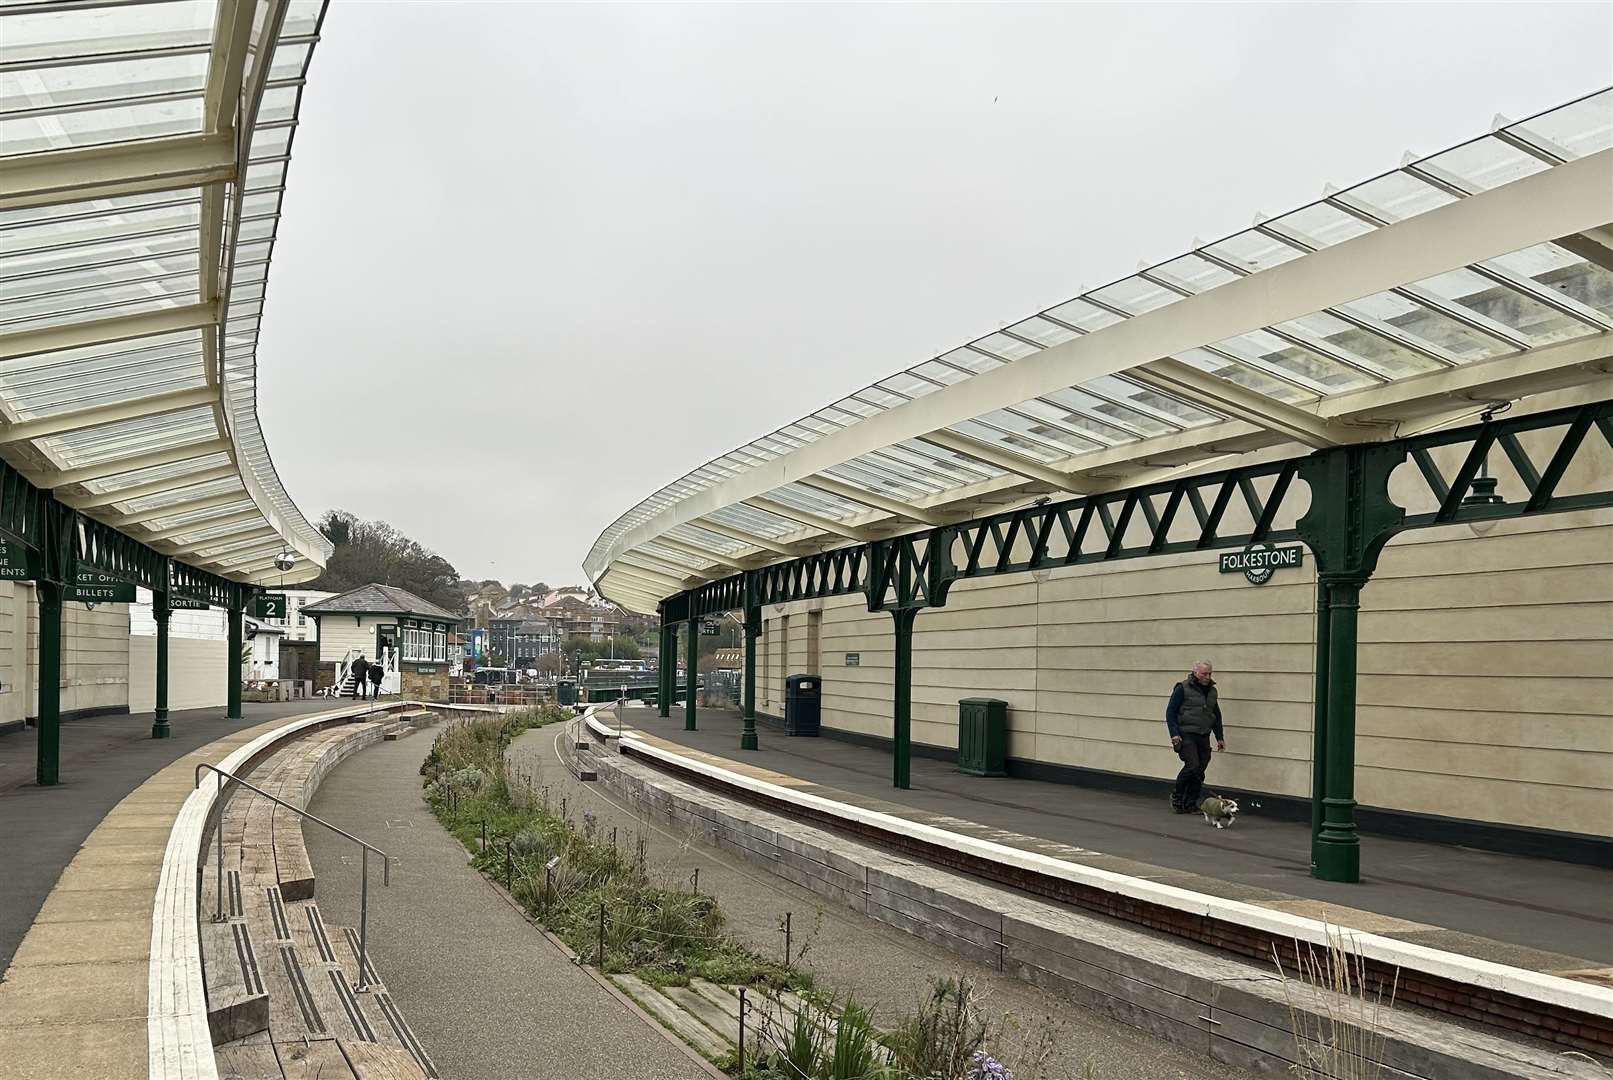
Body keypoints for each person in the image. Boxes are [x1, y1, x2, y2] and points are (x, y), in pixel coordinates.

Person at [1166, 660, 1226, 814]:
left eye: (1210, 673)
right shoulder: (1182, 688)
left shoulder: (1212, 691)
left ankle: (1191, 802)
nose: (1207, 677)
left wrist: (1219, 737)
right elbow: (1170, 712)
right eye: (1204, 673)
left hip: (1203, 734)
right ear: (1195, 672)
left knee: (1200, 769)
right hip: (1186, 733)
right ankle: (1178, 798)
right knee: (1192, 765)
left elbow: (1216, 715)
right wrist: (1174, 734)